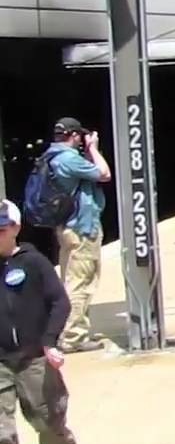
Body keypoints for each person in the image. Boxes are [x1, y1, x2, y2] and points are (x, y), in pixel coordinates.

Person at [0, 199, 81, 444]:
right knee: (1, 434)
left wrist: (49, 341)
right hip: (1, 362)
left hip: (34, 358)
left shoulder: (34, 263)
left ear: (15, 228)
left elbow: (60, 303)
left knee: (50, 427)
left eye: (1, 229)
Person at [44, 118, 110, 354]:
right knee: (81, 283)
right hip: (81, 228)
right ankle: (73, 337)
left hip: (67, 227)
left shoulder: (52, 156)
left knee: (71, 280)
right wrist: (92, 148)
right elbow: (104, 173)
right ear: (74, 135)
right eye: (81, 136)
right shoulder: (69, 158)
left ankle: (70, 330)